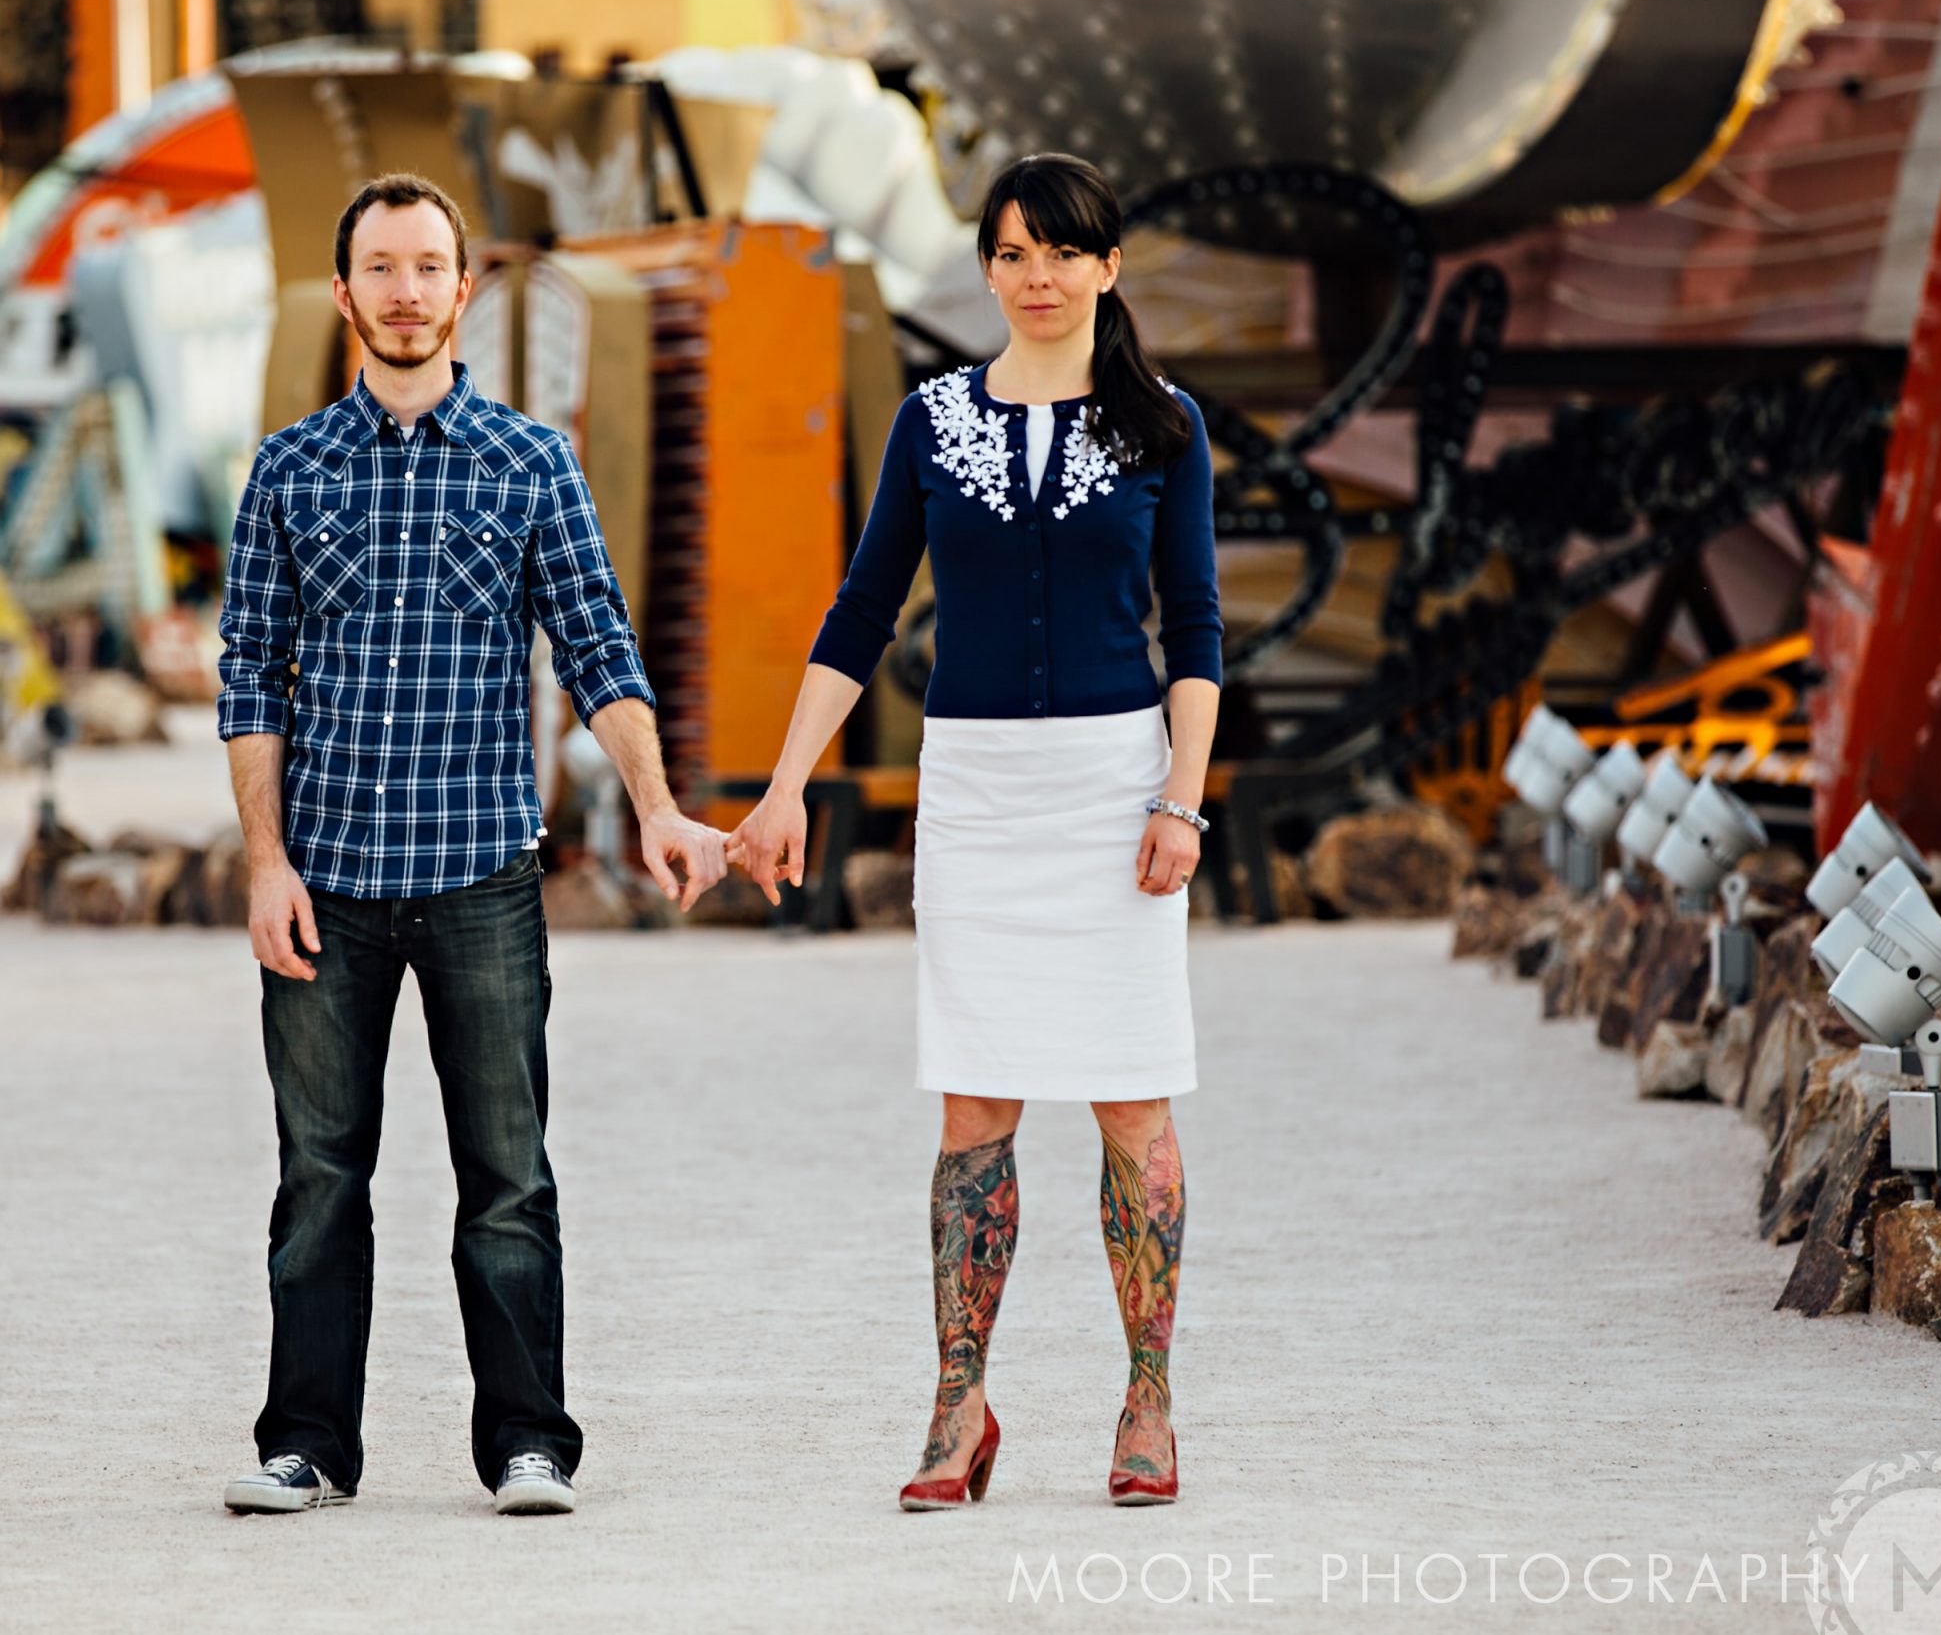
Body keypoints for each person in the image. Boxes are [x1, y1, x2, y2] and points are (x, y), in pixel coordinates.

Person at [217, 173, 728, 1518]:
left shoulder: (530, 463)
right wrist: (265, 862)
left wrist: (658, 804)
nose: (402, 290)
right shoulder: (286, 470)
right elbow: (248, 678)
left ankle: (528, 1442)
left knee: (507, 1176)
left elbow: (602, 649)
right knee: (320, 1180)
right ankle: (307, 1444)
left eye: (426, 266)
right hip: (324, 882)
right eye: (377, 267)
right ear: (344, 294)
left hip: (483, 877)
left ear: (461, 291)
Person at [730, 153, 1222, 1510]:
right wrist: (784, 786)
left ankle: (1148, 1394)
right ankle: (960, 1402)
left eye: (1066, 251)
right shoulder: (930, 420)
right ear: (990, 270)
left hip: (1117, 792)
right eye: (1014, 253)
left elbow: (1196, 624)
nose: (1041, 276)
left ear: (1108, 266)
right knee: (975, 1104)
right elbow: (861, 609)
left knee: (1133, 1096)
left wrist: (1182, 794)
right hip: (981, 796)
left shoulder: (1166, 426)